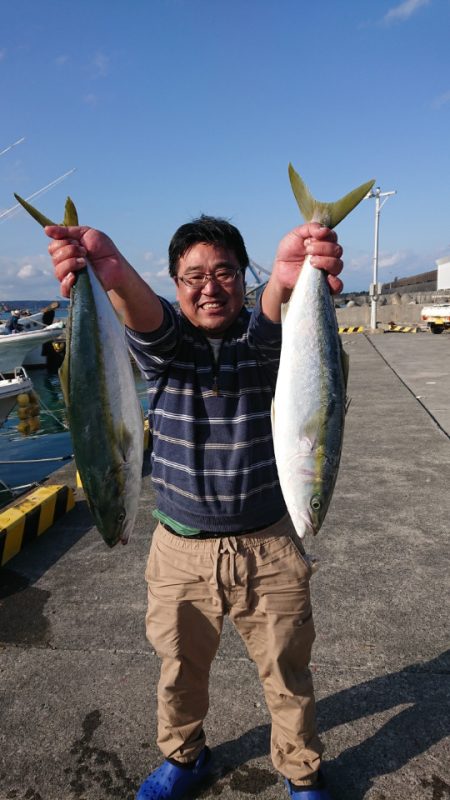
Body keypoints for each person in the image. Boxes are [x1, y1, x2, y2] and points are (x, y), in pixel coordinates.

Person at [47, 212, 343, 800]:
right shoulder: (166, 349)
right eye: (194, 277)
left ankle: (300, 770)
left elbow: (274, 311)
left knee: (288, 674)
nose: (211, 287)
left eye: (225, 273)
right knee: (178, 671)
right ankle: (185, 758)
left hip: (270, 547)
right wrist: (105, 267)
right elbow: (141, 312)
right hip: (179, 551)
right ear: (177, 285)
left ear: (244, 275)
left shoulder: (264, 348)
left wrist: (290, 275)